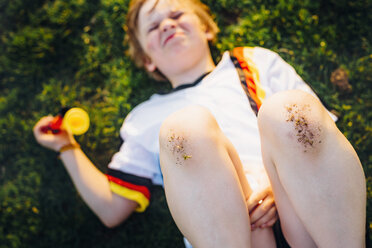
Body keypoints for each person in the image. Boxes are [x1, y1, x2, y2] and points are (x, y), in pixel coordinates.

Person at [33, 0, 366, 247]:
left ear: (206, 27)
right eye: (153, 26)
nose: (167, 24)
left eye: (177, 14)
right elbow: (111, 208)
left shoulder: (252, 61)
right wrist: (66, 146)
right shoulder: (145, 119)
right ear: (148, 60)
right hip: (232, 234)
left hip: (303, 207)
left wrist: (272, 181)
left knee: (289, 109)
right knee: (184, 129)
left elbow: (314, 133)